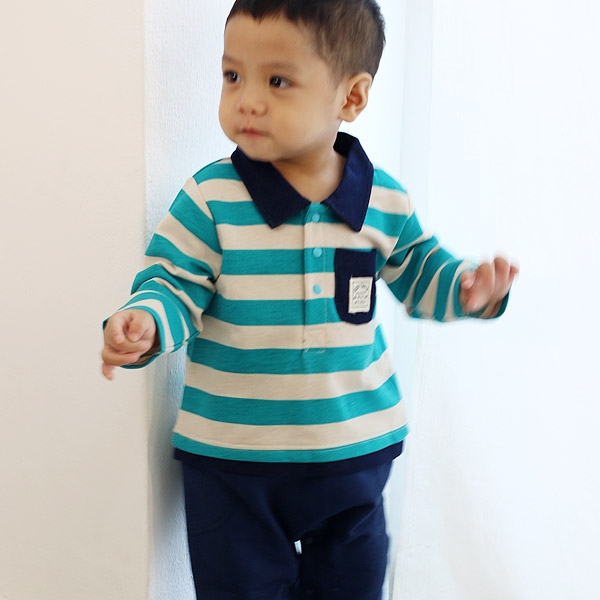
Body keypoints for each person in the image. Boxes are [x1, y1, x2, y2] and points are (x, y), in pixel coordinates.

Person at [101, 0, 518, 598]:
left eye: (277, 81)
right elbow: (174, 281)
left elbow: (422, 273)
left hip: (355, 452)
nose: (247, 99)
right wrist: (145, 320)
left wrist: (469, 290)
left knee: (354, 586)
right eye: (232, 75)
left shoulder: (383, 199)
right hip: (233, 463)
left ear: (352, 97)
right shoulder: (211, 197)